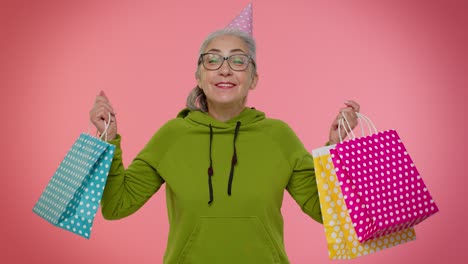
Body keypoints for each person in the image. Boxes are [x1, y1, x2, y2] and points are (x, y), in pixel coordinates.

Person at [90, 5, 360, 264]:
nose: (225, 69)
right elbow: (117, 206)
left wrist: (335, 150)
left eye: (239, 60)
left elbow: (325, 211)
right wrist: (108, 141)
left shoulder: (279, 136)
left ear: (253, 78)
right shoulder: (172, 135)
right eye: (213, 59)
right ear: (198, 75)